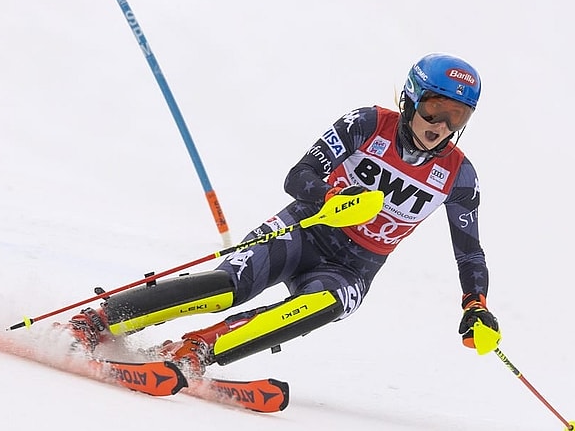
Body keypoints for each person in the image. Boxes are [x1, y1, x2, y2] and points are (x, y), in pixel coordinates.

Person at [65, 53, 500, 375]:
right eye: (433, 109)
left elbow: (469, 253)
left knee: (322, 304)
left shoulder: (459, 176)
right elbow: (300, 176)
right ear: (410, 98)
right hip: (304, 230)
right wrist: (329, 197)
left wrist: (475, 305)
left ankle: (195, 350)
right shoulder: (366, 123)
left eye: (455, 116)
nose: (440, 125)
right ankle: (99, 319)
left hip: (353, 267)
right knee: (229, 287)